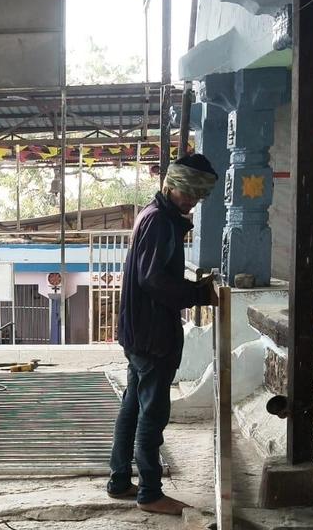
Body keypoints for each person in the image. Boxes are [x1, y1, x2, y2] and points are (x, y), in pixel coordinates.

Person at [107, 154, 219, 515]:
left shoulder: (152, 215)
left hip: (138, 332)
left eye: (197, 197)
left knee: (132, 407)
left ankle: (121, 481)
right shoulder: (159, 222)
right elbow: (153, 279)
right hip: (152, 334)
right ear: (170, 185)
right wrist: (199, 294)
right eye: (188, 194)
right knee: (151, 415)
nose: (191, 202)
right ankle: (150, 494)